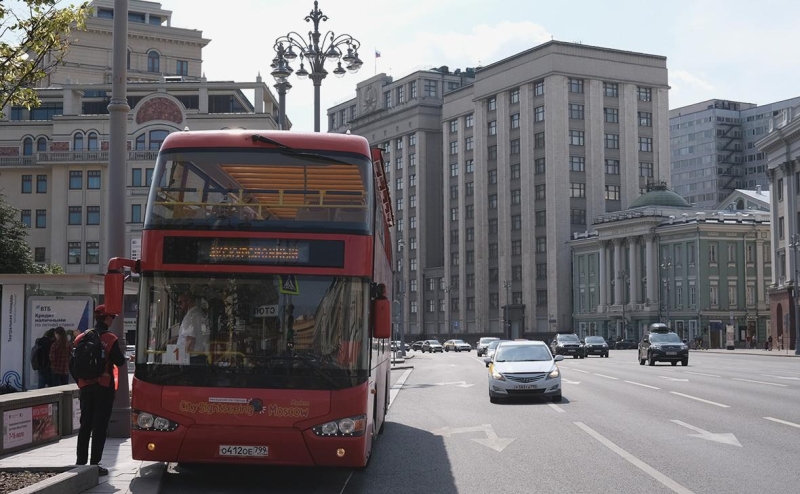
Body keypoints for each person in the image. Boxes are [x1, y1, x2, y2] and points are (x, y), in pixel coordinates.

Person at [73, 305, 125, 476]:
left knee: (85, 424)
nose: (113, 320)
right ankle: (94, 464)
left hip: (85, 387)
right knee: (100, 426)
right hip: (103, 387)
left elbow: (72, 364)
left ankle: (80, 463)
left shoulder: (81, 337)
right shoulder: (110, 338)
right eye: (113, 317)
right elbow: (119, 362)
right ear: (107, 318)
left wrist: (81, 382)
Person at [176, 293, 207, 362]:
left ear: (189, 301)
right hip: (199, 356)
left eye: (180, 302)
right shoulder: (199, 313)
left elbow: (190, 340)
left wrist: (183, 359)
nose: (179, 305)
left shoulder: (190, 317)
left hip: (192, 358)